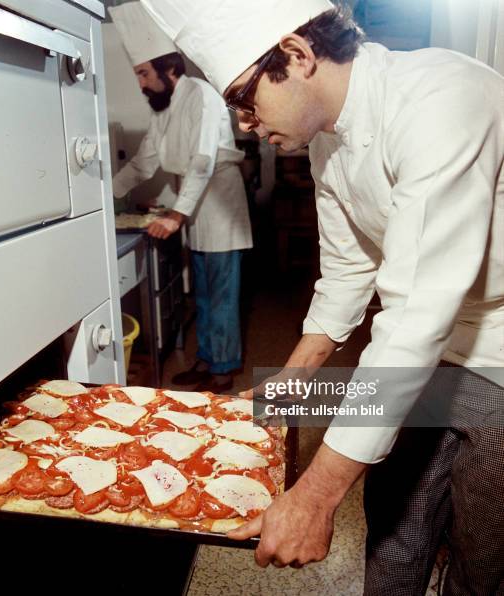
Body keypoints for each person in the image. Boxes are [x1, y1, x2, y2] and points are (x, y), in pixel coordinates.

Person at [141, 1, 504, 594]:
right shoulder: (323, 136)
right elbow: (347, 270)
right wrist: (293, 378)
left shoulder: (440, 101)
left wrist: (313, 495)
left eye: (243, 98)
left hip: (497, 342)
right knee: (395, 530)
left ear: (298, 55)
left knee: (483, 556)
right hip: (426, 345)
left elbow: (416, 313)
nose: (242, 125)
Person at [109, 2, 253, 393]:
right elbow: (142, 164)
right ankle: (207, 361)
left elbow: (204, 160)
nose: (140, 83)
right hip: (197, 211)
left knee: (221, 296)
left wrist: (175, 215)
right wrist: (104, 198)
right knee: (204, 295)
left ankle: (222, 371)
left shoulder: (202, 95)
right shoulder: (164, 109)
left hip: (220, 209)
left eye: (142, 73)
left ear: (168, 68)